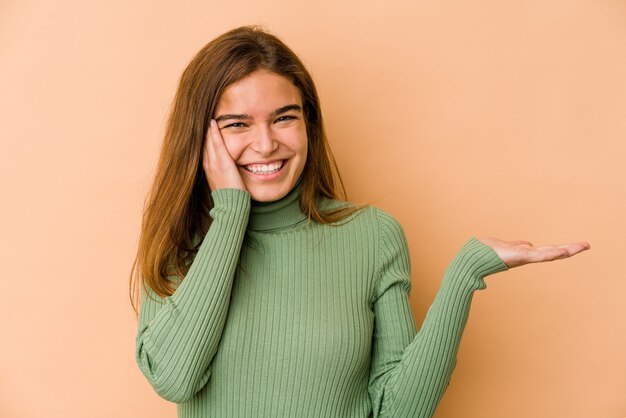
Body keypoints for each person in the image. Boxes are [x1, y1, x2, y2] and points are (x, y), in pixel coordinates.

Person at [129, 25, 590, 418]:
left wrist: (464, 275)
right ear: (202, 136)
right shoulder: (180, 241)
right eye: (237, 124)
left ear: (308, 122)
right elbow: (173, 379)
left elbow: (396, 409)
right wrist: (229, 214)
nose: (266, 144)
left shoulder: (371, 236)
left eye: (284, 117)